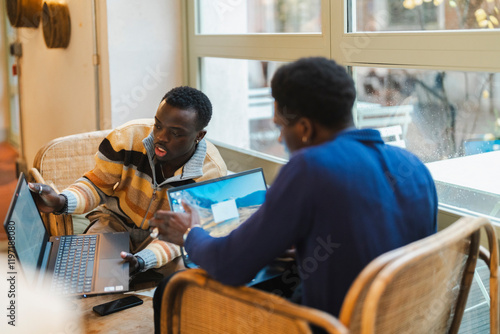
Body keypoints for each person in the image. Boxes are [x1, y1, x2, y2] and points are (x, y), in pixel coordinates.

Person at [150, 57, 437, 327]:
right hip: (399, 323)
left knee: (171, 289)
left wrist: (190, 233)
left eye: (280, 126)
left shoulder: (310, 167)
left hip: (332, 327)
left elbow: (230, 266)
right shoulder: (412, 165)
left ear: (304, 129)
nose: (279, 137)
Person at [28, 86, 227, 274]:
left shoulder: (211, 173)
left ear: (199, 135)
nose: (161, 137)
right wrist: (61, 201)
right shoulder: (127, 137)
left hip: (166, 238)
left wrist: (142, 261)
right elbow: (98, 185)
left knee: (185, 280)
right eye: (158, 125)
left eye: (175, 133)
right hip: (115, 223)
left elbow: (183, 232)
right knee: (87, 272)